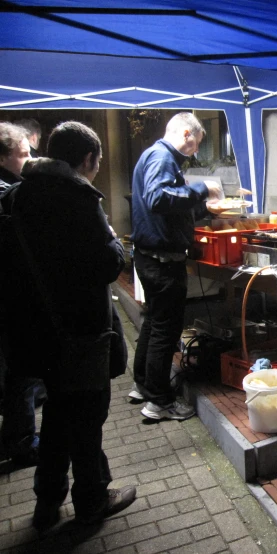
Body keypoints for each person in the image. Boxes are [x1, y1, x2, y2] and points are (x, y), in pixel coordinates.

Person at [0, 121, 136, 529]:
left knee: (58, 412)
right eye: (96, 161)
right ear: (88, 159)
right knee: (87, 414)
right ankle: (92, 499)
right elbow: (107, 264)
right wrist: (113, 240)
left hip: (37, 327)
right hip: (81, 330)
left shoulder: (18, 196)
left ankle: (47, 500)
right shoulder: (78, 198)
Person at [129, 112, 222, 420]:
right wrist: (203, 189)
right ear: (185, 134)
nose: (195, 151)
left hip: (151, 257)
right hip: (161, 261)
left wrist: (205, 208)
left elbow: (170, 208)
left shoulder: (155, 156)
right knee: (165, 331)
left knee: (154, 323)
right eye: (195, 144)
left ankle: (143, 385)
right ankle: (159, 401)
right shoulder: (162, 157)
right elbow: (158, 199)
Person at [0, 121, 45, 467]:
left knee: (19, 372)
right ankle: (22, 442)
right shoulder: (9, 193)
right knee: (21, 371)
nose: (31, 160)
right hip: (12, 298)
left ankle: (16, 435)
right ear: (4, 158)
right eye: (24, 154)